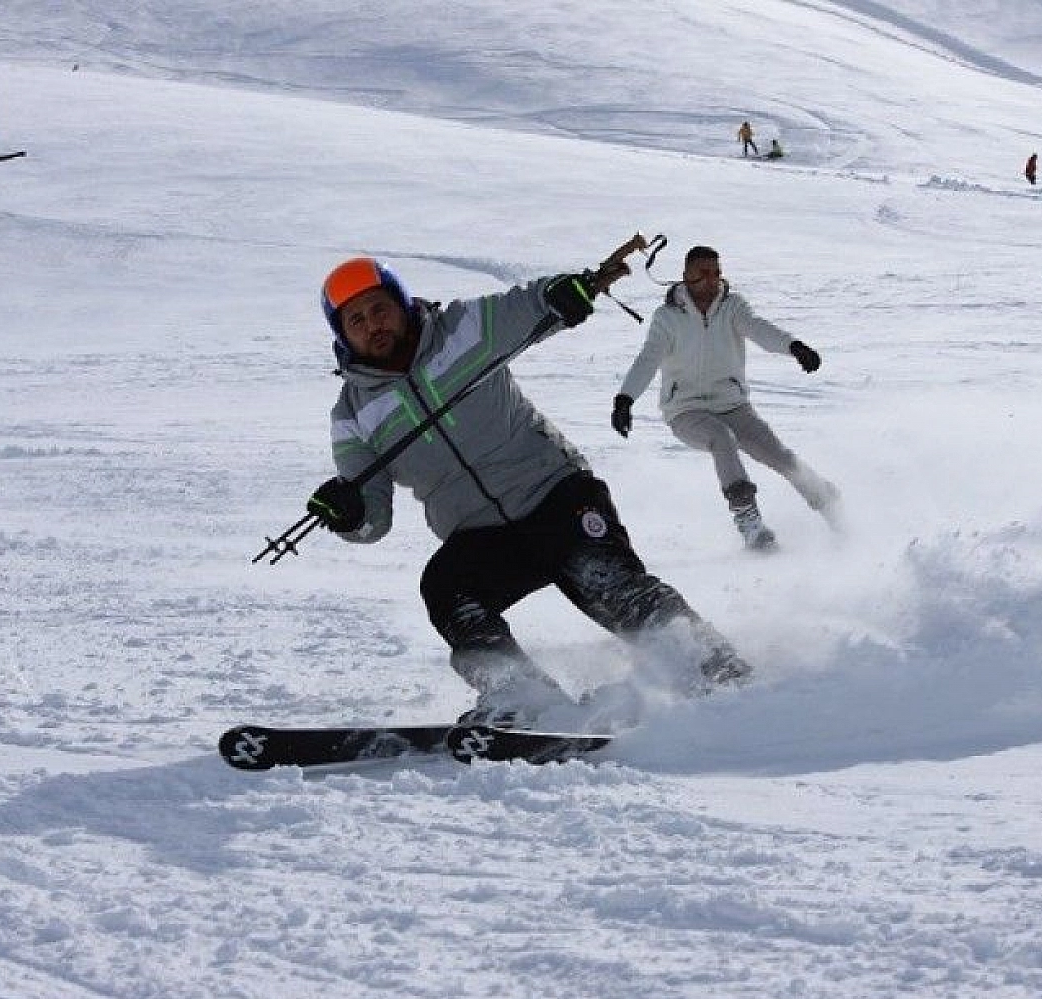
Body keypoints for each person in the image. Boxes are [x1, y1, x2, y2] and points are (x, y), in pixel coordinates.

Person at [306, 256, 753, 727]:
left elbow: (530, 307)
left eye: (379, 309)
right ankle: (521, 694)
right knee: (445, 588)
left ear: (399, 304)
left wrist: (562, 295)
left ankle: (715, 668)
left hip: (554, 493)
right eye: (355, 321)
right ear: (342, 336)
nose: (372, 325)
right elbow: (373, 520)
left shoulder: (461, 329)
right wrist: (350, 515)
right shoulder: (351, 416)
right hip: (481, 537)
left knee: (609, 585)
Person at [610, 246, 840, 551]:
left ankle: (829, 503)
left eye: (716, 273)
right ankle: (749, 522)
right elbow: (648, 358)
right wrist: (625, 399)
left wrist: (794, 346)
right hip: (686, 411)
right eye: (702, 273)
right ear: (685, 276)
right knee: (722, 438)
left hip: (734, 405)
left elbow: (759, 329)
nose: (711, 280)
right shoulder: (667, 318)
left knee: (778, 455)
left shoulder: (732, 307)